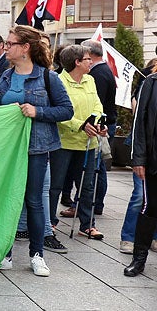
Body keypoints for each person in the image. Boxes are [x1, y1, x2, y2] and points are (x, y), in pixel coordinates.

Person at [0, 25, 73, 277]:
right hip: (6, 150)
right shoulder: (4, 77)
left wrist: (38, 111)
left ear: (25, 48)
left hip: (35, 148)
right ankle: (5, 250)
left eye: (11, 44)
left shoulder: (48, 77)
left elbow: (66, 110)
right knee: (5, 199)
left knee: (33, 201)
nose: (6, 47)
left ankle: (37, 254)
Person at [48, 44, 105, 241]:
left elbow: (97, 104)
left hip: (88, 142)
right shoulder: (57, 81)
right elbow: (57, 111)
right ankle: (49, 223)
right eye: (88, 59)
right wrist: (80, 125)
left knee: (87, 185)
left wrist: (97, 123)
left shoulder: (90, 80)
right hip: (63, 142)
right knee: (55, 185)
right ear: (77, 62)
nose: (91, 62)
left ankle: (87, 225)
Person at [124, 68, 157, 276]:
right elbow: (139, 124)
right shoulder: (150, 83)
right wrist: (139, 159)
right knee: (150, 206)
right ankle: (139, 258)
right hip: (153, 159)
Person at [81, 40, 116, 216]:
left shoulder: (99, 74)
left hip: (101, 126)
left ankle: (96, 203)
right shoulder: (101, 70)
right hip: (102, 124)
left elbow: (98, 104)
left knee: (97, 167)